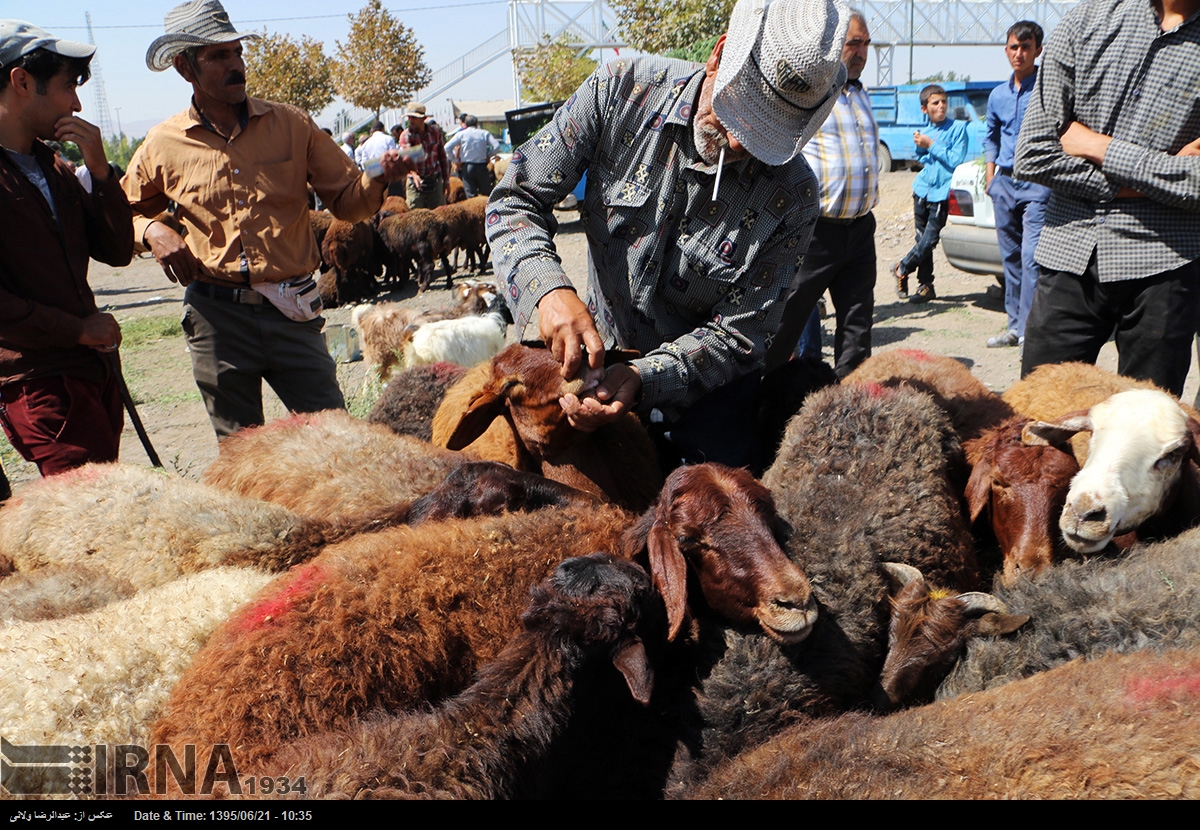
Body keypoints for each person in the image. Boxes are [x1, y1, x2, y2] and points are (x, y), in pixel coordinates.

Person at [487, 0, 850, 471]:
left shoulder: (794, 197)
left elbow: (741, 335)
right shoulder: (619, 91)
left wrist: (644, 375)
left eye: (768, 135)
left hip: (705, 400)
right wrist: (547, 291)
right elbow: (515, 199)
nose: (741, 144)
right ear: (719, 56)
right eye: (739, 115)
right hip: (594, 366)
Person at [122, 0, 411, 439]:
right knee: (242, 455)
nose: (236, 65)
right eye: (218, 56)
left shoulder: (292, 124)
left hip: (291, 312)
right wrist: (151, 229)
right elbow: (120, 214)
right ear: (185, 68)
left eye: (237, 52)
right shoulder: (163, 143)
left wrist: (378, 182)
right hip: (216, 319)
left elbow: (348, 203)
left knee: (337, 441)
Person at [1015, 0, 1200, 397]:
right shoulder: (1086, 22)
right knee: (1037, 423)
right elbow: (1033, 153)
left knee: (1147, 436)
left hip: (1165, 266)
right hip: (1070, 255)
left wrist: (1096, 145)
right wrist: (1157, 176)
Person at [0, 19, 132, 477]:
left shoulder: (54, 166)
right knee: (90, 526)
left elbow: (117, 250)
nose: (77, 102)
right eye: (67, 86)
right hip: (39, 384)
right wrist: (76, 330)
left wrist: (100, 171)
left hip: (91, 374)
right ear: (21, 81)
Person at [765, 9, 879, 378]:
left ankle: (851, 404)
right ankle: (762, 397)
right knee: (788, 321)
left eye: (866, 44)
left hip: (861, 230)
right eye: (853, 43)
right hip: (817, 232)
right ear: (834, 46)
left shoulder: (862, 96)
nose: (861, 52)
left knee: (857, 328)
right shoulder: (811, 96)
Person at [983, 21, 1050, 349]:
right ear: (1006, 50)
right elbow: (991, 136)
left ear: (1038, 50)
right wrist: (990, 175)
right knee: (1009, 257)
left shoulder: (1048, 88)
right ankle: (1013, 326)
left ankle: (1030, 329)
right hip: (1005, 184)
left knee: (1031, 257)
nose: (1019, 53)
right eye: (1013, 47)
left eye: (1026, 47)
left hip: (1038, 184)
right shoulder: (998, 95)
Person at [892, 84, 968, 304]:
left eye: (944, 101)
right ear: (925, 109)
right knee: (920, 239)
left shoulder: (958, 129)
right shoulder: (924, 132)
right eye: (935, 103)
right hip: (921, 191)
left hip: (942, 194)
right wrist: (923, 146)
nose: (941, 106)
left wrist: (931, 145)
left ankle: (902, 267)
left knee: (929, 240)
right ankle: (926, 286)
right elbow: (923, 160)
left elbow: (955, 161)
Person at [397, 101, 450, 208]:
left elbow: (442, 156)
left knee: (439, 215)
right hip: (415, 182)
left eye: (414, 117)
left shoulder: (435, 132)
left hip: (434, 180)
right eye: (409, 117)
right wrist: (414, 174)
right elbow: (407, 159)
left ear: (423, 119)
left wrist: (446, 180)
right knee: (413, 216)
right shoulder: (406, 136)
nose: (410, 120)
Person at [444, 114, 500, 198]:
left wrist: (455, 161)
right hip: (482, 166)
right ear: (477, 123)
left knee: (471, 196)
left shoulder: (461, 134)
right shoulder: (484, 133)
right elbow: (497, 146)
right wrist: (488, 155)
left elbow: (447, 147)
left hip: (467, 167)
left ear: (465, 124)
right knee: (487, 195)